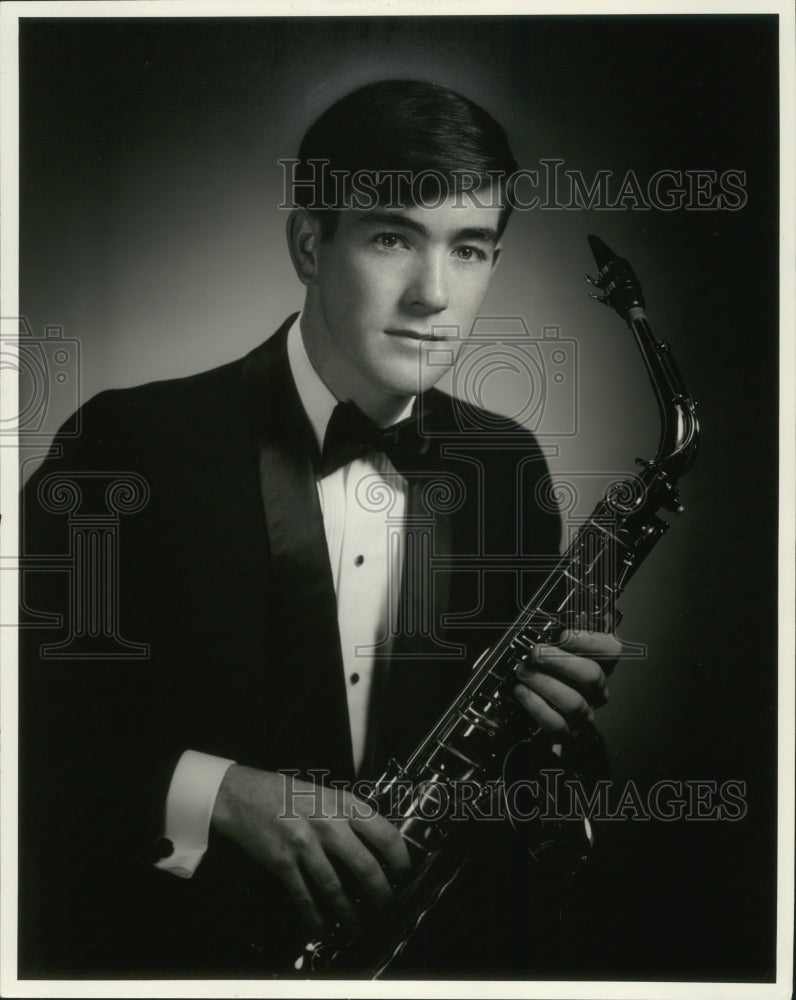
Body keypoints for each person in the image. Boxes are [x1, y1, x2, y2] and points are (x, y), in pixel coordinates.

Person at [19, 79, 620, 979]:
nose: (434, 295)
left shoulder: (507, 466)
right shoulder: (127, 446)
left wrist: (554, 727)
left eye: (470, 249)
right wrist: (216, 793)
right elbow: (24, 728)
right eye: (391, 238)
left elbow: (517, 777)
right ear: (309, 242)